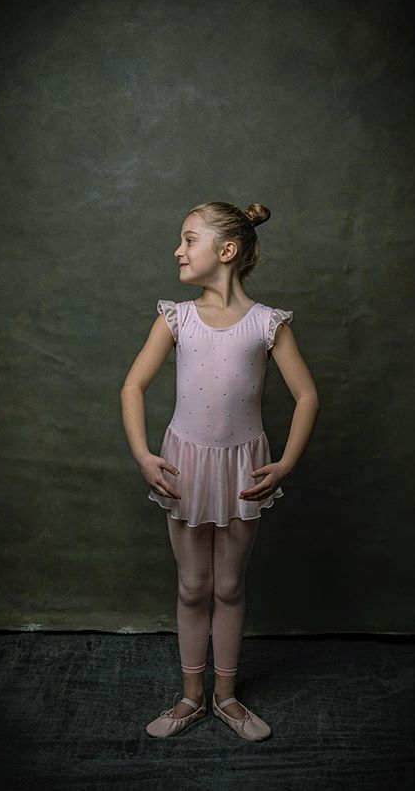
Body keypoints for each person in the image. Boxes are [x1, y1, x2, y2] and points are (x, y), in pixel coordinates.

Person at [120, 201, 319, 740]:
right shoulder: (176, 317)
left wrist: (285, 463)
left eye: (188, 240)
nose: (177, 250)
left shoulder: (266, 323)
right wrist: (143, 454)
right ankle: (191, 697)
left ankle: (226, 697)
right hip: (184, 463)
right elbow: (132, 386)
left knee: (228, 585)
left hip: (243, 467)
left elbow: (306, 395)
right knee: (192, 585)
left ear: (226, 252)